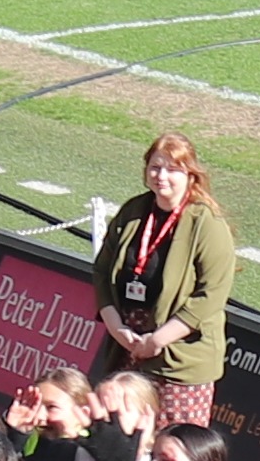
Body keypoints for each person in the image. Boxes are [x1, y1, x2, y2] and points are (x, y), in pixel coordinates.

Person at [94, 134, 235, 423]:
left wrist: (158, 340)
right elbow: (102, 271)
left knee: (172, 447)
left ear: (190, 175)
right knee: (119, 436)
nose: (162, 177)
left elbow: (212, 294)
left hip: (178, 359)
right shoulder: (134, 211)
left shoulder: (205, 223)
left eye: (173, 170)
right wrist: (116, 327)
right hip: (127, 345)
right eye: (155, 167)